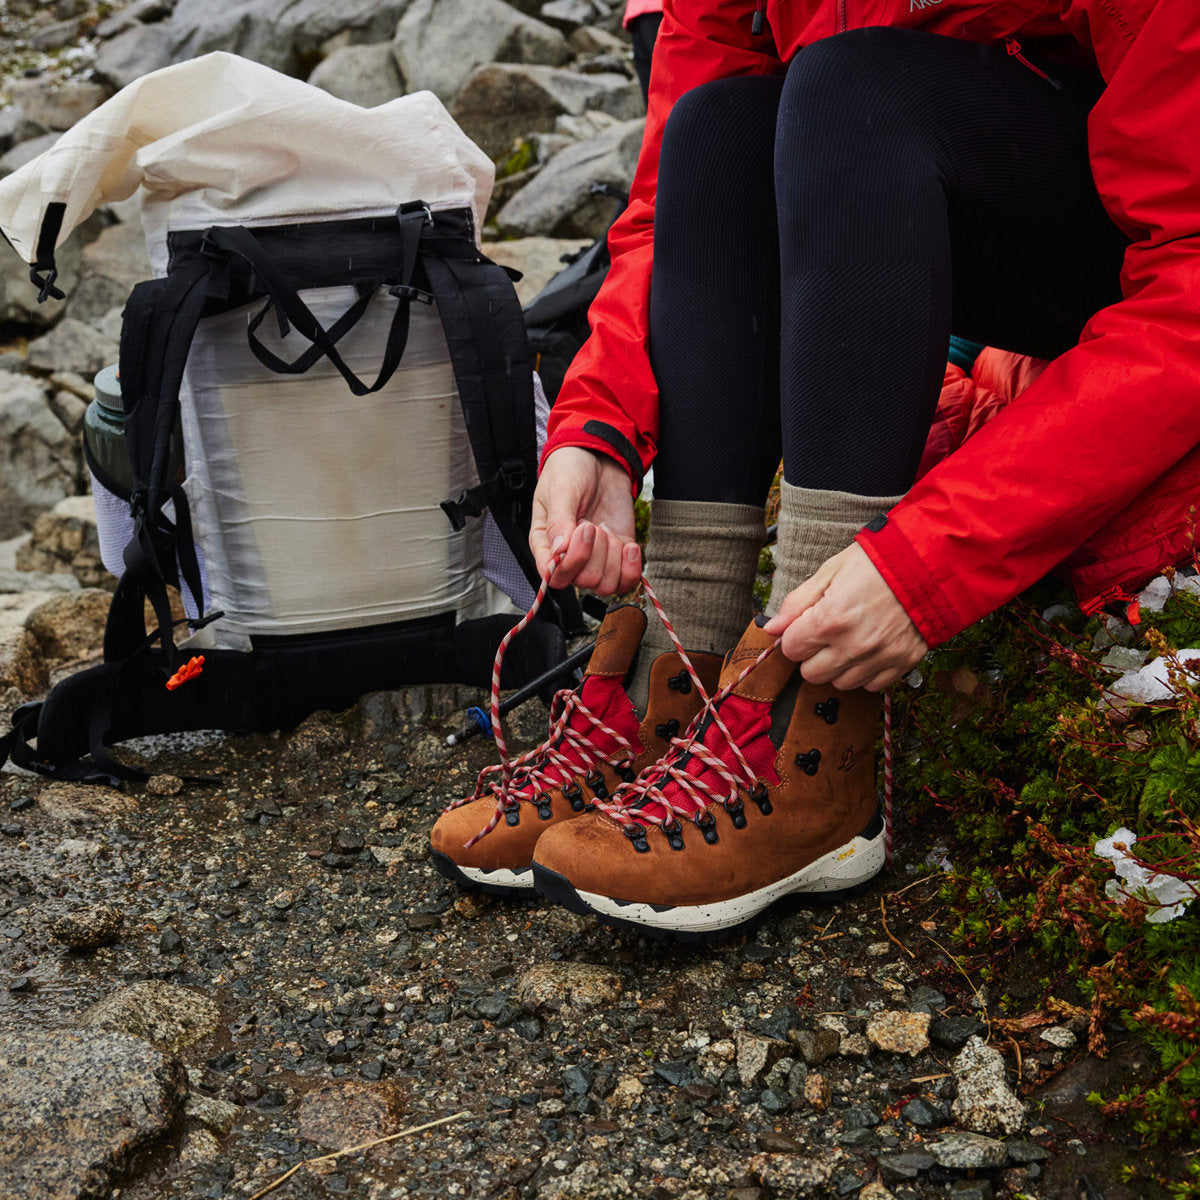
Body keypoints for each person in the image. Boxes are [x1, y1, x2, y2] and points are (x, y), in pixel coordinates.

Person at [433, 0, 1200, 938]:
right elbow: (665, 214)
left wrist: (923, 566)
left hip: (1143, 246)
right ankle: (683, 681)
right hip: (923, 212)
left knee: (856, 89)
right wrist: (600, 427)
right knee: (720, 131)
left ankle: (810, 735)